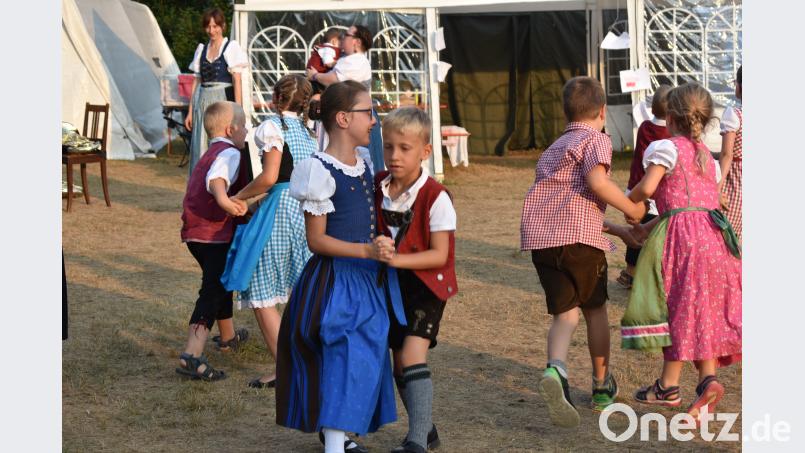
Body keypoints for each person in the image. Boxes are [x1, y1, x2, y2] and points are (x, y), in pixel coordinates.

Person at [275, 81, 406, 453]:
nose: (374, 120)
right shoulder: (317, 170)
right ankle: (334, 443)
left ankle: (342, 435)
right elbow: (316, 240)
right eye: (368, 112)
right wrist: (366, 250)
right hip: (336, 283)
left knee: (365, 356)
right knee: (342, 356)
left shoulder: (365, 165)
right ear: (344, 119)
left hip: (367, 281)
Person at [519, 76, 647, 427]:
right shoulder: (596, 139)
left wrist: (618, 230)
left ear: (566, 113)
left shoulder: (554, 149)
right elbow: (596, 183)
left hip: (543, 243)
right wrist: (632, 210)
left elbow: (569, 204)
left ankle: (556, 370)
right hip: (579, 244)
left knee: (566, 316)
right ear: (603, 111)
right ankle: (602, 386)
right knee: (595, 311)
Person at [623, 83, 741, 421]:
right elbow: (692, 207)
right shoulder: (708, 158)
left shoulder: (666, 148)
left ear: (670, 118)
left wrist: (625, 199)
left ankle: (669, 386)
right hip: (715, 240)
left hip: (685, 242)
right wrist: (644, 229)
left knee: (677, 308)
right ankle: (705, 380)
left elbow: (647, 188)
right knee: (701, 309)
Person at [220, 74, 317, 389]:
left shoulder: (273, 127)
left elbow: (271, 177)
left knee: (261, 289)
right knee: (298, 287)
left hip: (282, 210)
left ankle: (284, 368)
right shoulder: (308, 132)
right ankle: (304, 360)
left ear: (276, 99)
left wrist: (239, 196)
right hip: (306, 210)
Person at [372, 108, 456, 453]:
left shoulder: (436, 196)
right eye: (388, 146)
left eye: (405, 148)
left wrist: (396, 259)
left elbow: (440, 254)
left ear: (425, 151)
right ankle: (427, 429)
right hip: (390, 287)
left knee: (411, 356)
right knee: (398, 363)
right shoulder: (377, 186)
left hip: (427, 288)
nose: (394, 155)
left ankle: (417, 442)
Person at [177, 101, 250, 381]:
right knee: (212, 289)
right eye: (243, 126)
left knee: (221, 282)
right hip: (213, 234)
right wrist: (225, 201)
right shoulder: (229, 152)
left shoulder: (211, 151)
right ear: (231, 130)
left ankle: (228, 336)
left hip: (196, 231)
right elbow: (217, 179)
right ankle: (192, 355)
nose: (246, 131)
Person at [306, 25, 384, 174]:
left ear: (357, 42)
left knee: (363, 165)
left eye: (346, 35)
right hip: (351, 116)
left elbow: (334, 79)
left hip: (359, 117)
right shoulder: (348, 60)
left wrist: (314, 75)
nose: (343, 39)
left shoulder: (357, 60)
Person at [618, 85, 672, 289]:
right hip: (656, 195)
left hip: (635, 191)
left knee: (636, 233)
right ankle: (656, 277)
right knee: (658, 238)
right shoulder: (671, 135)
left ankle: (630, 272)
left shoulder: (644, 128)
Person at [184, 8, 249, 176]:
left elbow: (237, 80)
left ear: (222, 26)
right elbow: (197, 81)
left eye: (215, 26)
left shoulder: (230, 47)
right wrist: (190, 111)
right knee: (201, 143)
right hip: (203, 102)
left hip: (222, 102)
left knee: (221, 144)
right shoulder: (201, 49)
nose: (211, 30)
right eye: (208, 26)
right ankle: (200, 183)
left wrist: (238, 110)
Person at [718, 65, 743, 241]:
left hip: (736, 186)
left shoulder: (734, 115)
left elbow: (727, 155)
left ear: (739, 86)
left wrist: (716, 189)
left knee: (727, 239)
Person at [307, 28, 343, 96]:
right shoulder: (328, 49)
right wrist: (340, 62)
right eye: (340, 44)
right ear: (334, 41)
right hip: (316, 80)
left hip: (316, 76)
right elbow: (328, 63)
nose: (341, 47)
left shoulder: (325, 48)